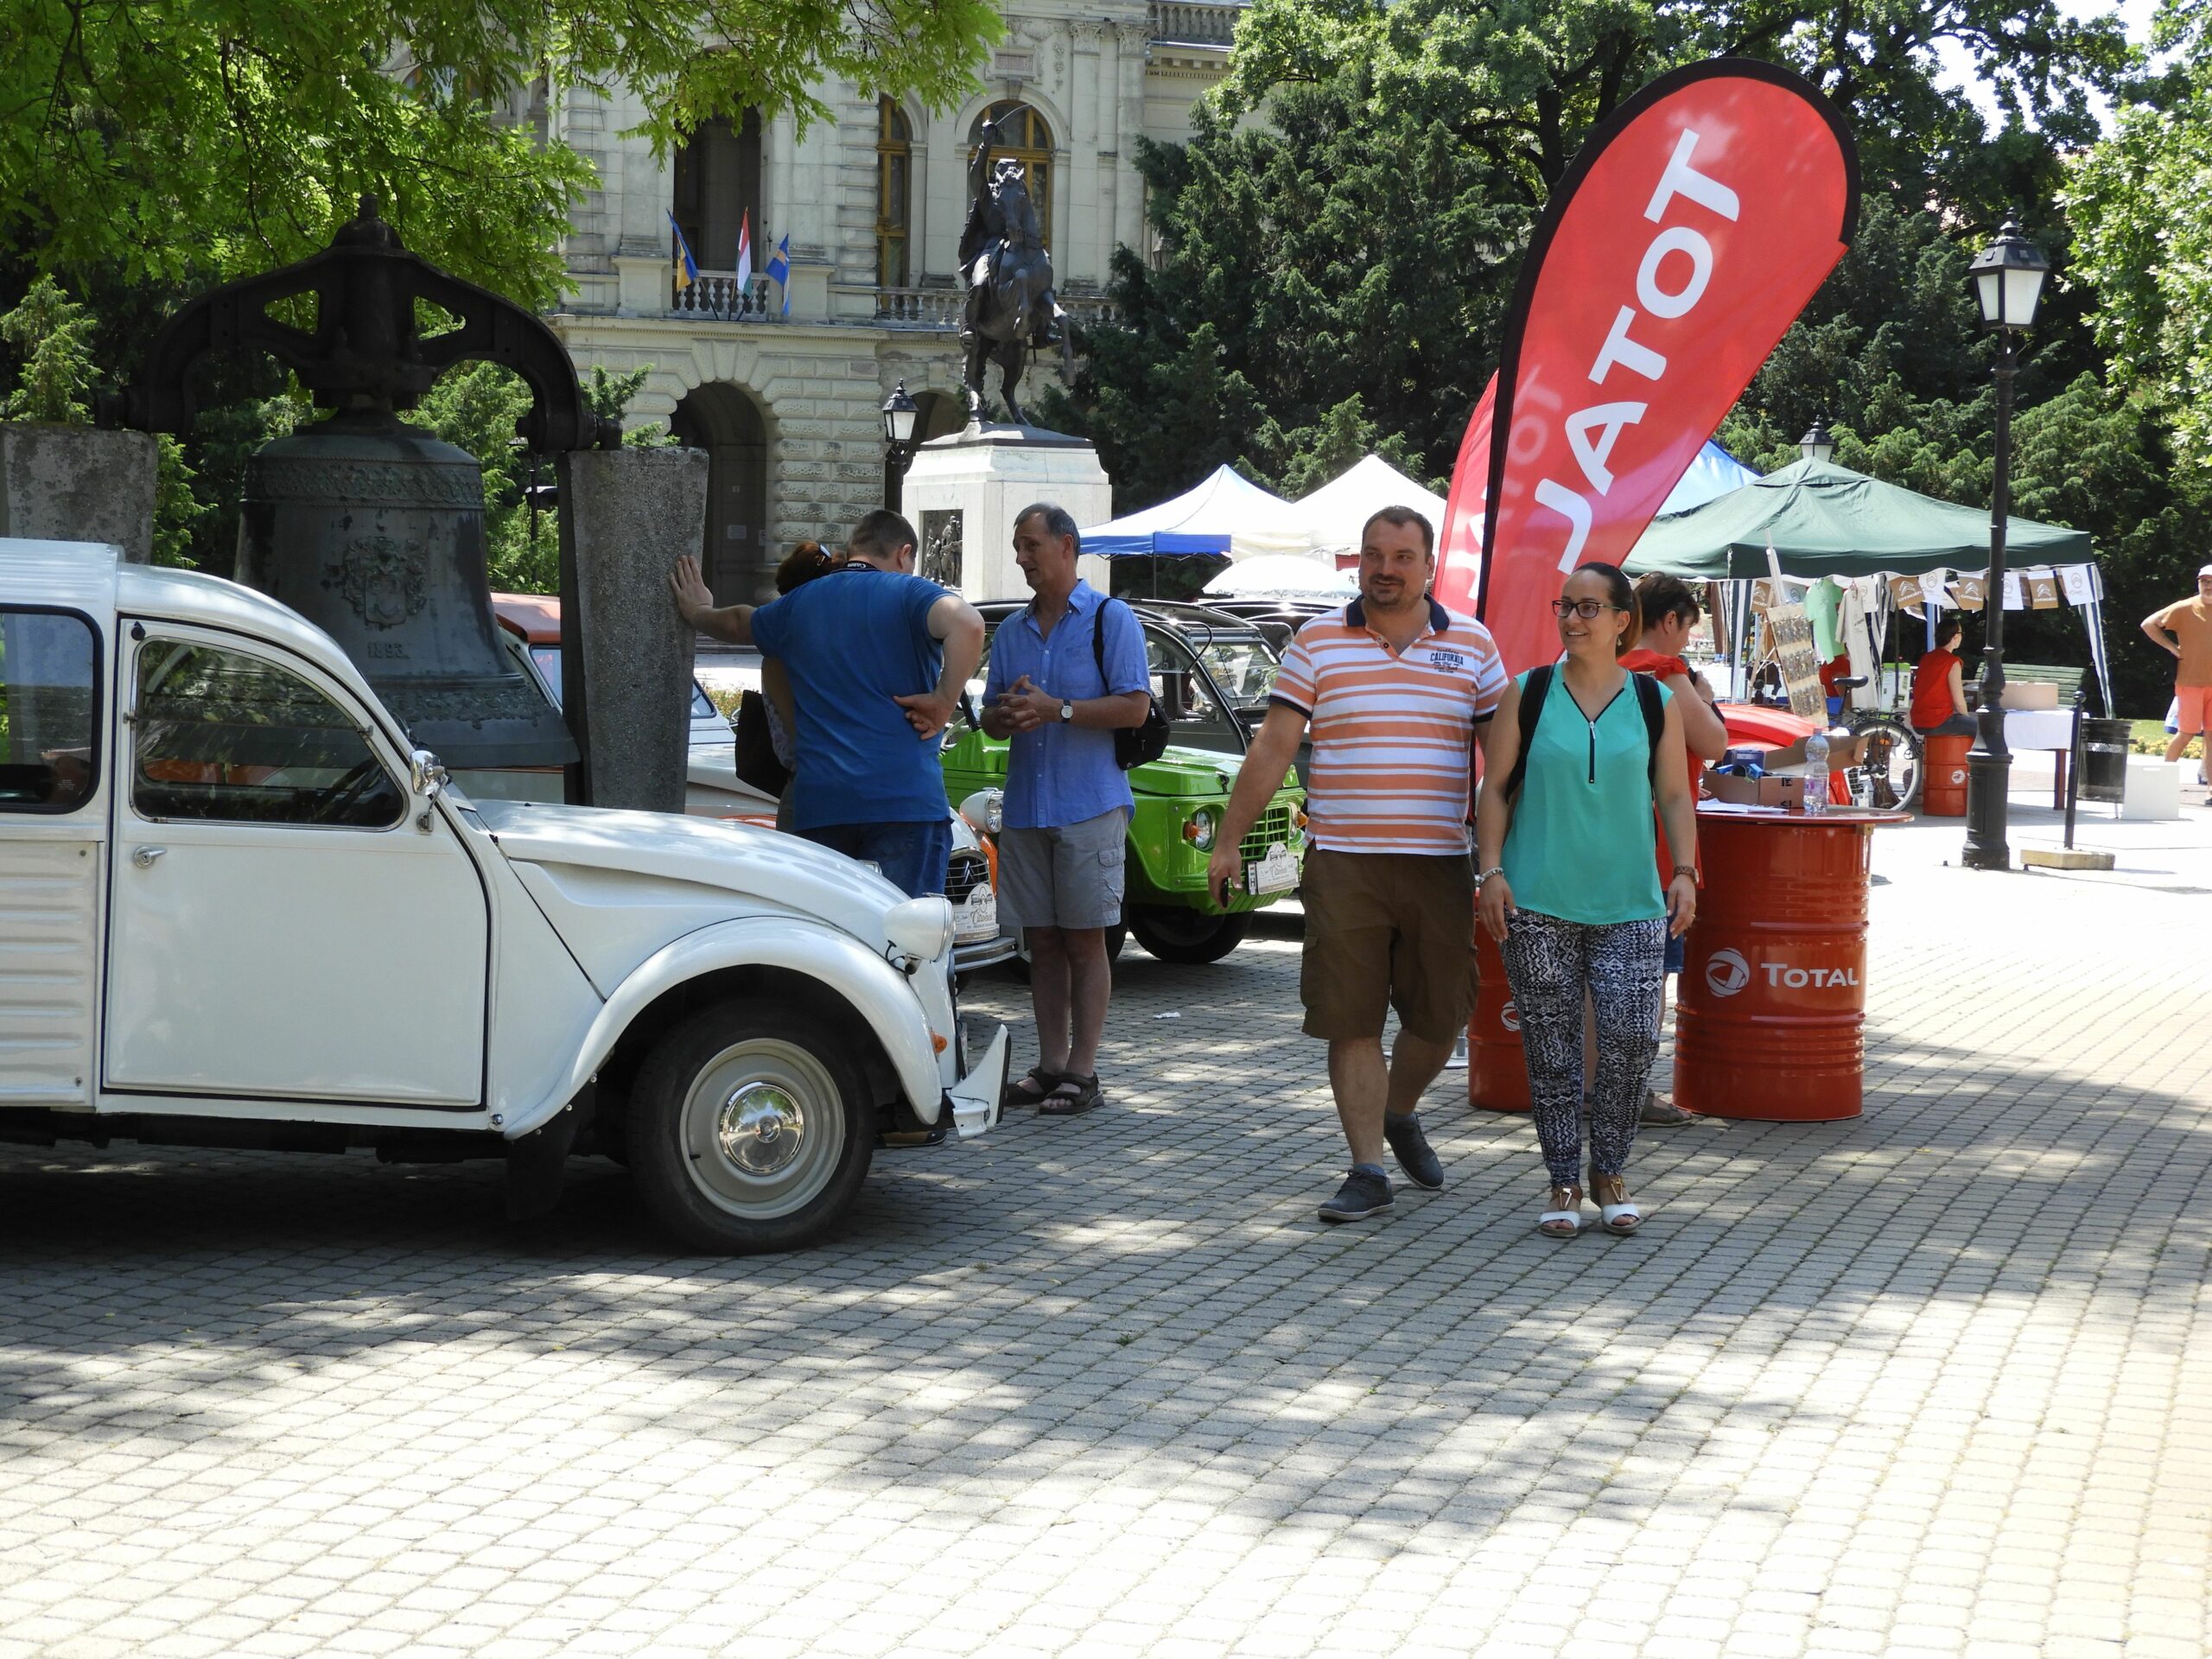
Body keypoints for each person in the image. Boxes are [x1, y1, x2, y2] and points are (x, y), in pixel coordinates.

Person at [1206, 506, 1508, 1224]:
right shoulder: (1317, 641)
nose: (1385, 568)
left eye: (1403, 556)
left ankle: (1400, 1110)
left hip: (1439, 860)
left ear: (1430, 565)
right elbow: (1274, 750)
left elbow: (1504, 766)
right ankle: (1367, 1168)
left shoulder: (1472, 644)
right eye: (1374, 554)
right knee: (1352, 1018)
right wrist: (1229, 841)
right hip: (1343, 861)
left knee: (1442, 1016)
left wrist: (1505, 858)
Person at [1474, 563, 1699, 1241]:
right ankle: (1564, 1179)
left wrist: (1685, 870)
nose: (1572, 619)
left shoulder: (1655, 700)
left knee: (1633, 1039)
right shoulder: (1529, 692)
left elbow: (1675, 796)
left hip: (1632, 901)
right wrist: (1490, 872)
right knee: (1552, 1049)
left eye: (1588, 608)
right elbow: (1495, 790)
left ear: (1622, 620)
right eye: (1564, 606)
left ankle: (1612, 1171)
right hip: (1539, 898)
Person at [668, 510, 984, 898]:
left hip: (822, 805)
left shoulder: (798, 604)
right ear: (904, 554)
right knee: (908, 945)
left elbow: (738, 623)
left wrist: (698, 611)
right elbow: (968, 624)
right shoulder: (911, 593)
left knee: (830, 940)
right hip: (905, 803)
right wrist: (942, 702)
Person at [982, 504, 1152, 1116]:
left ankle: (1084, 1070)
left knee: (1086, 941)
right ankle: (1050, 1064)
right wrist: (1004, 715)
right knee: (1043, 943)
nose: (1022, 558)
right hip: (1028, 805)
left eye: (1030, 545)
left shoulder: (1112, 619)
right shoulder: (1011, 631)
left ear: (1067, 546)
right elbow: (991, 721)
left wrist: (1061, 710)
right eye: (1017, 546)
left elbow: (1135, 708)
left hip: (1090, 805)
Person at [1620, 573, 1730, 1128]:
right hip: (1660, 847)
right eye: (1687, 628)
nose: (1687, 641)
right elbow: (1714, 743)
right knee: (1648, 977)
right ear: (1670, 621)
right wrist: (1704, 698)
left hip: (1604, 842)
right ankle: (1632, 1091)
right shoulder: (1664, 671)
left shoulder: (1603, 669)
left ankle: (1596, 1088)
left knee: (1599, 978)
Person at [2142, 567, 2212, 776]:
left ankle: (2210, 789)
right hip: (2190, 682)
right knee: (2186, 733)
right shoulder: (2185, 607)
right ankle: (2162, 778)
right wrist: (2172, 647)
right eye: (2204, 581)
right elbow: (2148, 624)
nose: (2208, 585)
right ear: (2198, 583)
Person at [1910, 614, 1976, 737]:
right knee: (1984, 731)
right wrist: (1967, 719)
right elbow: (1959, 702)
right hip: (1938, 720)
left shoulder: (1927, 658)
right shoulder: (1952, 662)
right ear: (1955, 636)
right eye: (1962, 633)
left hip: (1917, 720)